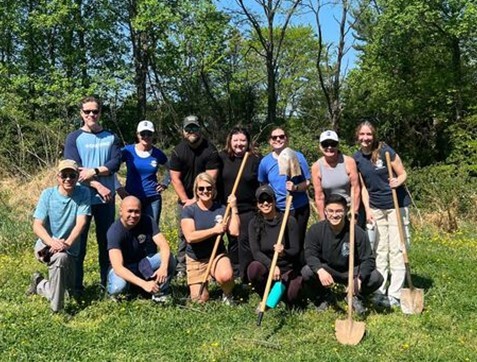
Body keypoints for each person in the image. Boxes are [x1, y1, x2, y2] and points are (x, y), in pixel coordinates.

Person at [64, 96, 121, 291]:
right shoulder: (74, 138)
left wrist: (95, 171)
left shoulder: (111, 137)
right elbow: (75, 170)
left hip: (106, 200)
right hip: (81, 199)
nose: (91, 115)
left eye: (94, 111)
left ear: (100, 113)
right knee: (78, 244)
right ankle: (76, 286)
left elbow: (115, 163)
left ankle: (108, 284)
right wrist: (98, 185)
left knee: (106, 243)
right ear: (81, 113)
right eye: (87, 111)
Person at [353, 121, 411, 308]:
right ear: (357, 136)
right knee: (379, 248)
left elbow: (403, 174)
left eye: (368, 134)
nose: (365, 138)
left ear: (374, 135)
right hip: (376, 208)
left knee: (396, 248)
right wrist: (368, 209)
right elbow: (362, 188)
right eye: (362, 134)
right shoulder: (357, 158)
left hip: (396, 205)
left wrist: (397, 181)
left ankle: (394, 294)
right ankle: (379, 289)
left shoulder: (386, 151)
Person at [302, 194, 383, 314]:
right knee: (307, 271)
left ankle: (355, 296)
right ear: (325, 211)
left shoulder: (357, 232)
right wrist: (319, 270)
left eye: (339, 211)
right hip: (328, 270)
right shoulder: (315, 230)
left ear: (345, 211)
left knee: (376, 278)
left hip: (351, 272)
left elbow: (369, 259)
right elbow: (310, 254)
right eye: (331, 211)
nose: (334, 215)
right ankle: (324, 296)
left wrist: (359, 279)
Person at [27, 160, 91, 312]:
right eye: (64, 175)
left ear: (77, 177)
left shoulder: (83, 193)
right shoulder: (47, 194)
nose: (68, 179)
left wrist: (67, 243)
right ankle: (57, 310)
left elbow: (81, 223)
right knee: (60, 258)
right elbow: (37, 225)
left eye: (72, 175)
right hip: (46, 247)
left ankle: (40, 284)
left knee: (67, 292)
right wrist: (52, 243)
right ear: (58, 176)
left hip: (70, 248)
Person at [170, 115, 221, 277]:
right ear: (183, 131)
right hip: (184, 199)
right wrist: (187, 201)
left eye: (195, 128)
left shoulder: (211, 150)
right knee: (184, 234)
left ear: (200, 129)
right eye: (188, 128)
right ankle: (181, 267)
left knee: (209, 231)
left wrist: (197, 199)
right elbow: (175, 179)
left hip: (206, 197)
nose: (191, 131)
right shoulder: (177, 151)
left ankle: (212, 264)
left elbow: (211, 178)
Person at [180, 173, 240, 304]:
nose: (205, 191)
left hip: (216, 255)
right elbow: (190, 237)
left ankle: (227, 294)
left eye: (208, 188)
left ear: (213, 189)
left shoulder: (222, 209)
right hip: (196, 258)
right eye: (201, 188)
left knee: (226, 276)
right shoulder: (189, 210)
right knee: (200, 300)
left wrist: (234, 207)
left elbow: (234, 232)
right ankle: (203, 286)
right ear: (196, 190)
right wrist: (214, 230)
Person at [106, 196, 176, 301]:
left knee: (169, 258)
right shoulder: (114, 232)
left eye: (137, 211)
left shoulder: (147, 220)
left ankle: (160, 293)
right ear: (121, 211)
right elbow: (118, 267)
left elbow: (164, 246)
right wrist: (144, 284)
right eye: (130, 211)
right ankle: (127, 289)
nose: (133, 215)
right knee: (118, 288)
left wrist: (163, 267)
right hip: (123, 268)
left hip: (142, 264)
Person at [217, 126, 261, 280]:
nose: (239, 144)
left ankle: (246, 275)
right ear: (230, 141)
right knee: (233, 241)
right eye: (235, 140)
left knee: (245, 241)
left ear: (248, 142)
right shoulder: (222, 158)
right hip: (227, 208)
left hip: (248, 209)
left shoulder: (255, 159)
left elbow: (260, 184)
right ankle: (234, 273)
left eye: (243, 140)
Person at [247, 185, 303, 306]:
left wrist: (284, 252)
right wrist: (271, 266)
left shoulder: (288, 220)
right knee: (254, 268)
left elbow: (296, 250)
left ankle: (278, 294)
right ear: (257, 204)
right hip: (267, 267)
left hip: (287, 268)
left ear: (274, 200)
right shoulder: (254, 223)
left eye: (269, 199)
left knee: (292, 295)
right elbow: (256, 252)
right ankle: (265, 295)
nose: (265, 203)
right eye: (261, 200)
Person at [258, 127, 311, 248]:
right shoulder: (265, 162)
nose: (278, 139)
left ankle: (300, 266)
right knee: (282, 242)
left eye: (281, 136)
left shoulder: (297, 157)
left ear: (286, 139)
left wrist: (296, 187)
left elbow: (307, 182)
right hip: (278, 209)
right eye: (274, 137)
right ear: (270, 141)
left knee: (297, 242)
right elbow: (263, 185)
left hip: (298, 207)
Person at [117, 120, 170, 227]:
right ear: (137, 135)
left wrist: (165, 183)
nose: (146, 136)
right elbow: (111, 167)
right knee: (131, 229)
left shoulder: (157, 153)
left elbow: (172, 169)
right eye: (143, 134)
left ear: (153, 135)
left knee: (152, 230)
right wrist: (118, 187)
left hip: (152, 198)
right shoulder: (127, 151)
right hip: (131, 197)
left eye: (149, 134)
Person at [311, 130, 360, 220]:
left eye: (333, 144)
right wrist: (322, 219)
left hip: (348, 209)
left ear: (337, 145)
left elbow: (355, 189)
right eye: (325, 144)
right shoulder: (316, 167)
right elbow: (319, 196)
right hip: (330, 212)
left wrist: (354, 211)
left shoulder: (349, 162)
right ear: (320, 146)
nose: (329, 147)